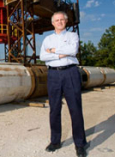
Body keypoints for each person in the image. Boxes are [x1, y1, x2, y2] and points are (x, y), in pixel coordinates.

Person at [40, 11, 87, 157]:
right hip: (53, 74)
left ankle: (80, 144)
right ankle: (55, 141)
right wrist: (62, 53)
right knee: (54, 109)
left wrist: (53, 52)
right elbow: (43, 56)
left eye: (62, 20)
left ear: (65, 22)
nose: (59, 22)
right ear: (52, 23)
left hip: (70, 73)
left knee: (75, 108)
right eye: (57, 20)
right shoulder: (47, 39)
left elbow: (73, 50)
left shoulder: (72, 36)